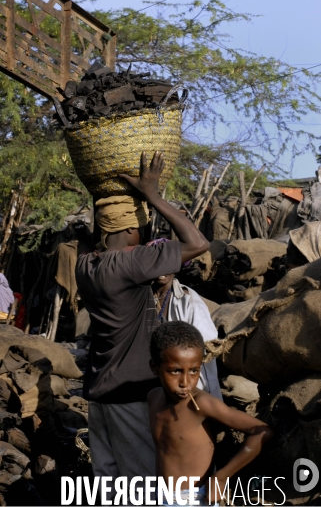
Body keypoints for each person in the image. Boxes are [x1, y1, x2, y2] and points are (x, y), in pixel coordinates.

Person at [76, 151, 209, 499]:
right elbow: (198, 243)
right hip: (129, 392)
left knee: (108, 485)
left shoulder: (84, 265)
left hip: (97, 390)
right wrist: (153, 195)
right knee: (142, 487)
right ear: (134, 229)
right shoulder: (132, 263)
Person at [148, 321, 273, 506]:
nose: (185, 382)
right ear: (154, 368)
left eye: (194, 371)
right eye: (175, 371)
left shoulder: (201, 404)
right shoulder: (154, 399)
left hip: (197, 499)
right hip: (163, 496)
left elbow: (262, 431)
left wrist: (221, 477)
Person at [150, 259, 222, 400]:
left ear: (176, 268)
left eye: (166, 264)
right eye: (156, 263)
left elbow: (207, 344)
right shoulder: (146, 297)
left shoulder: (189, 301)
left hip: (191, 383)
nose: (161, 270)